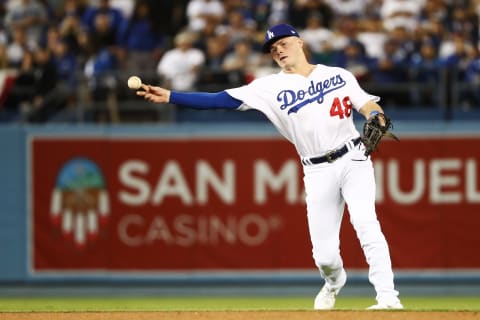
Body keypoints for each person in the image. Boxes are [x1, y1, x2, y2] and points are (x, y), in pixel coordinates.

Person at [136, 23, 403, 310]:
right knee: (324, 256)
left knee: (366, 224)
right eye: (273, 50)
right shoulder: (269, 87)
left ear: (299, 43)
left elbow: (367, 106)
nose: (278, 51)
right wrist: (172, 96)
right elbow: (220, 100)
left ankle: (388, 298)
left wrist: (376, 116)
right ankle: (334, 282)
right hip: (316, 170)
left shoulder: (338, 75)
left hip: (354, 157)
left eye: (283, 44)